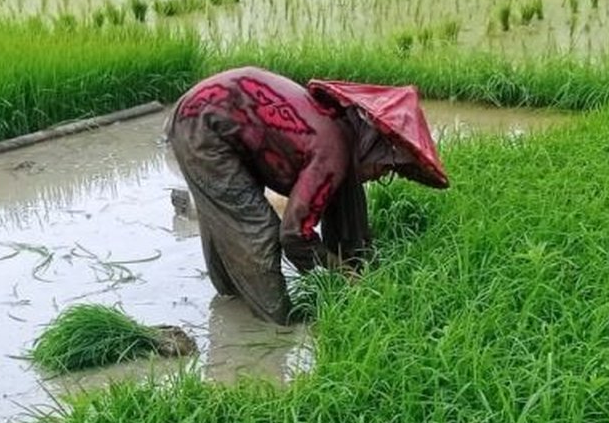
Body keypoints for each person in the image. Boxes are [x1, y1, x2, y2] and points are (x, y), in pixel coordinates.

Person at [166, 65, 451, 325]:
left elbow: (347, 209)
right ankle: (275, 326)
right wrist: (339, 273)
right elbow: (293, 235)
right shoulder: (333, 151)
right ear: (371, 147)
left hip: (220, 115)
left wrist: (361, 264)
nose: (379, 176)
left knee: (234, 218)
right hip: (201, 126)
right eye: (384, 167)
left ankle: (232, 297)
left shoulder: (344, 131)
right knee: (258, 231)